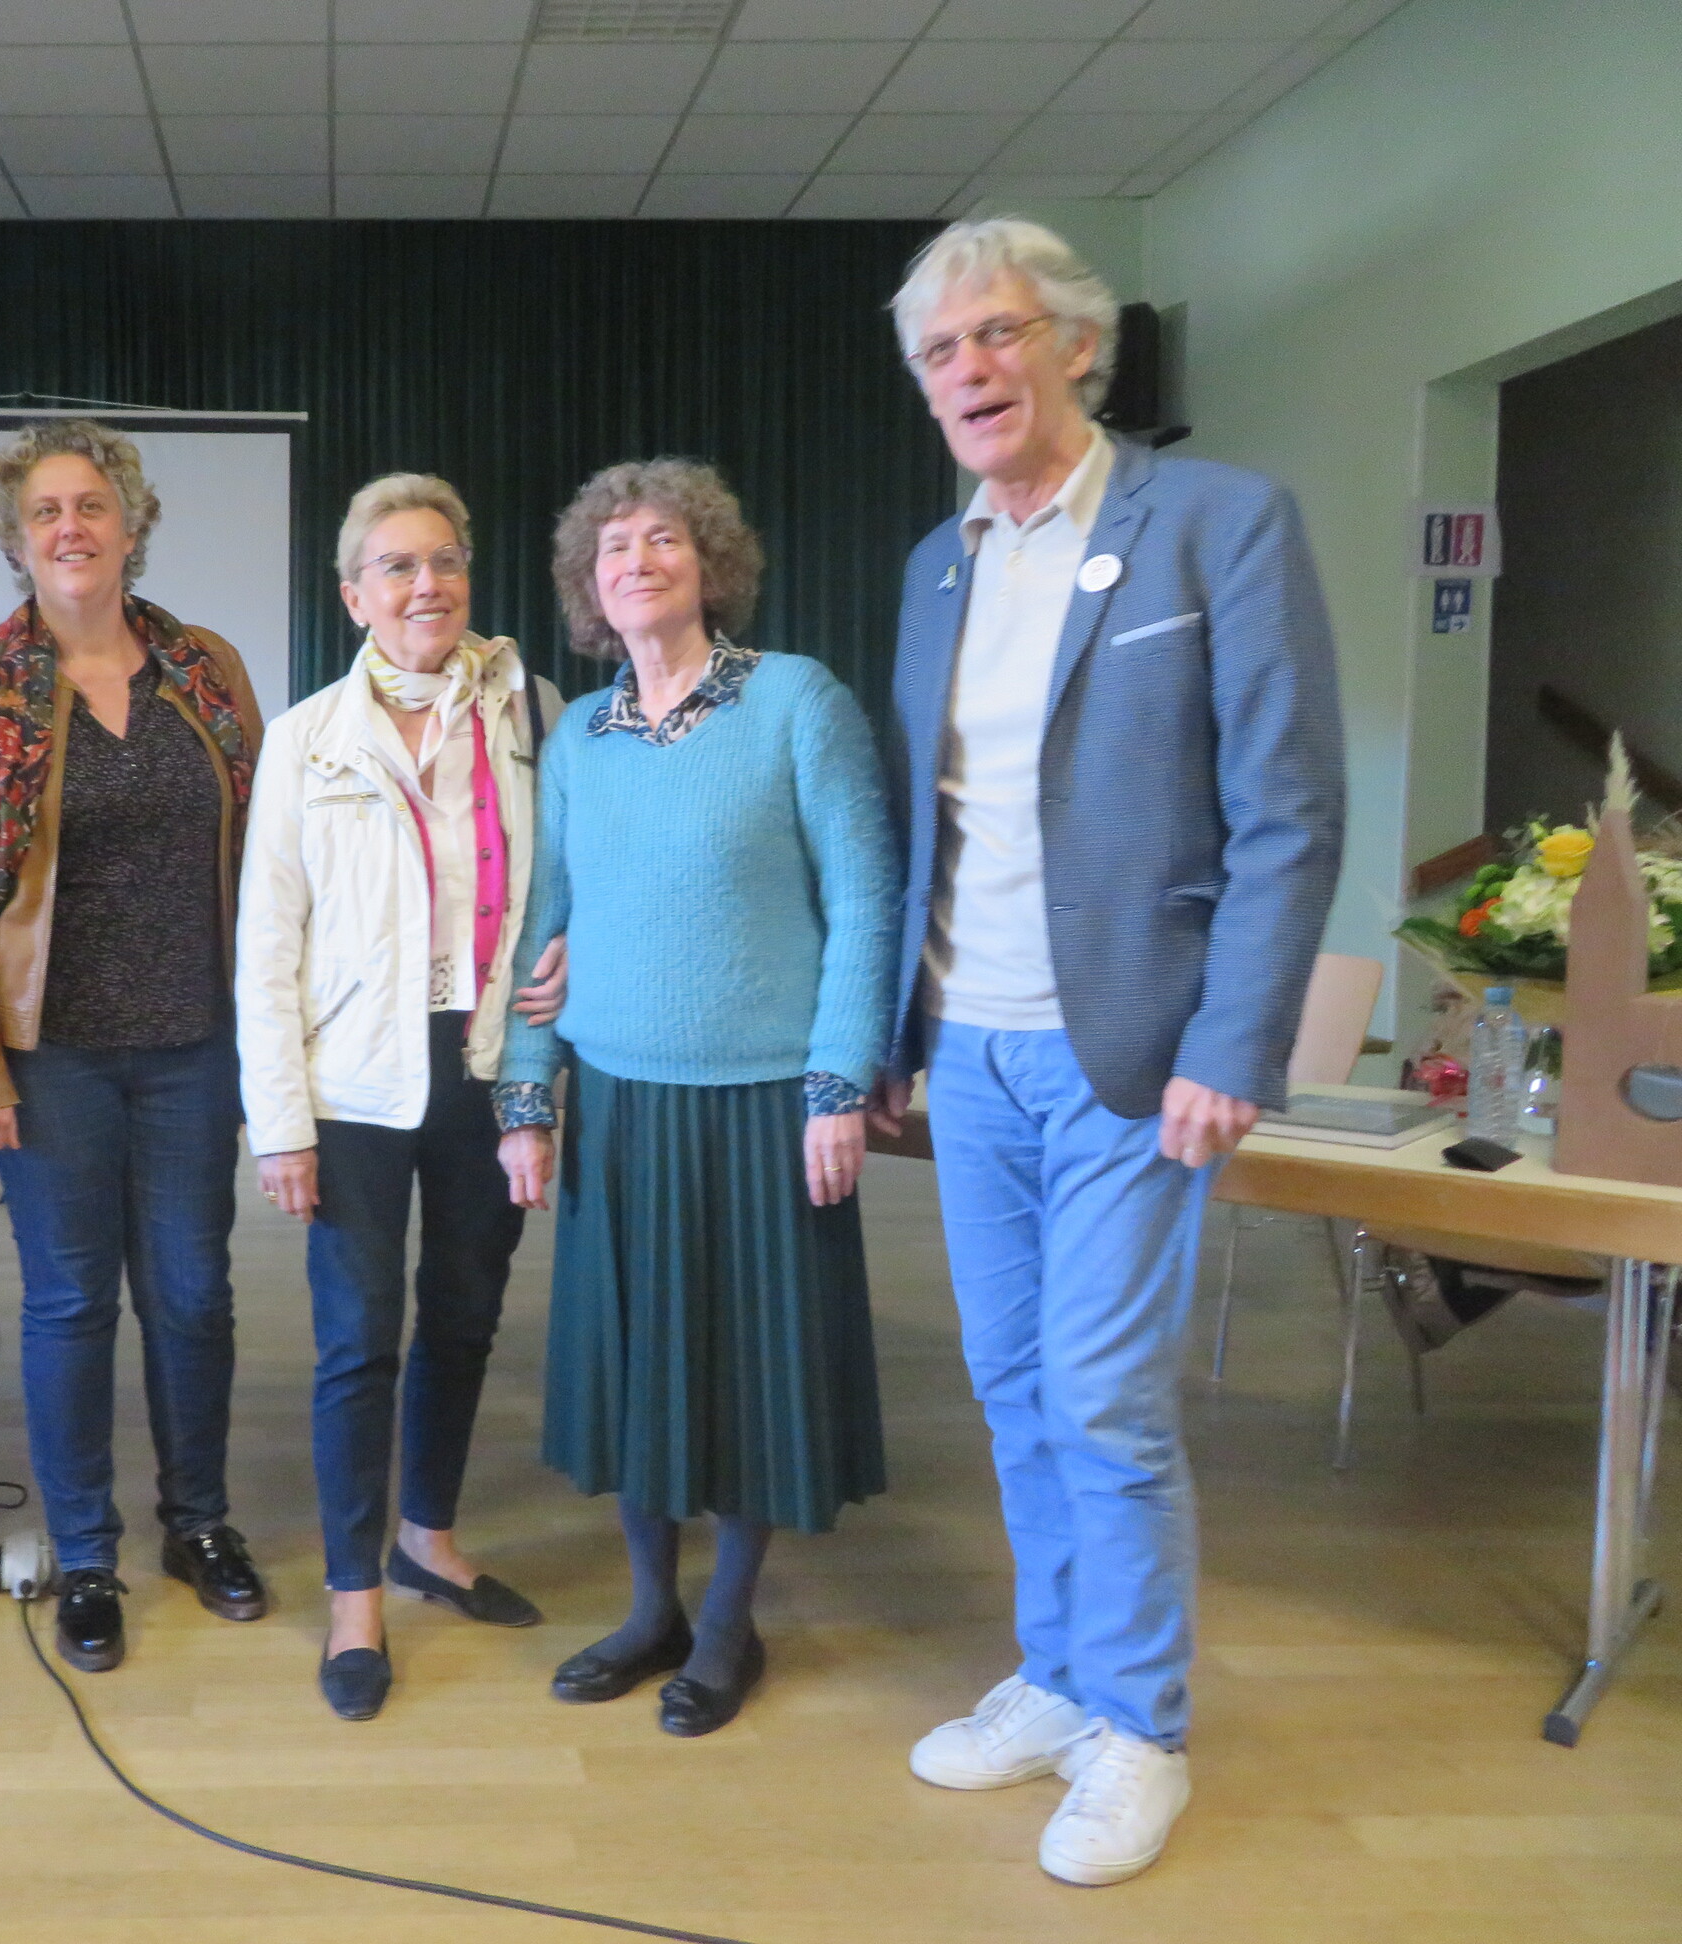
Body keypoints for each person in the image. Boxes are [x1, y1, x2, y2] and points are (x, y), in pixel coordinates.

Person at [872, 219, 1343, 1886]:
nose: (969, 371)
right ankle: (1061, 1673)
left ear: (1079, 346)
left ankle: (1140, 1723)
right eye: (939, 352)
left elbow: (1288, 810)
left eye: (997, 334)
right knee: (1010, 1386)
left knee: (1101, 1394)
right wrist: (898, 1034)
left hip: (1133, 1051)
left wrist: (1235, 1038)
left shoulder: (1216, 523)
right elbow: (933, 823)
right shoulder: (936, 566)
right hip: (969, 1049)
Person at [498, 459, 899, 1740]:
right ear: (589, 584)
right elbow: (546, 919)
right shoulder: (580, 736)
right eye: (613, 546)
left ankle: (729, 1623)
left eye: (662, 537)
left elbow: (867, 900)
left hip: (766, 1103)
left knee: (747, 1377)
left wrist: (839, 1080)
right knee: (634, 1371)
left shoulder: (796, 701)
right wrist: (526, 1092)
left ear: (711, 562)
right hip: (618, 1105)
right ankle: (648, 1612)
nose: (637, 560)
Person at [0, 420, 266, 1676]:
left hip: (195, 1046)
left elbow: (270, 857)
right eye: (46, 510)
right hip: (48, 1055)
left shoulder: (208, 669)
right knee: (68, 1304)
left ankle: (200, 1523)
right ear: (17, 540)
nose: (72, 527)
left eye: (93, 505)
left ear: (131, 525)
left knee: (193, 1293)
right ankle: (87, 1553)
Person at [235, 473, 566, 1721]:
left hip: (484, 1063)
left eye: (444, 562)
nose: (427, 585)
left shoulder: (533, 711)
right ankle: (353, 1595)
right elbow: (267, 942)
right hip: (354, 1082)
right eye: (398, 566)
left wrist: (571, 957)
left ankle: (428, 1537)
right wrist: (281, 1124)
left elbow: (566, 881)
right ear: (353, 596)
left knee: (467, 1316)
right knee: (357, 1337)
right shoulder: (305, 737)